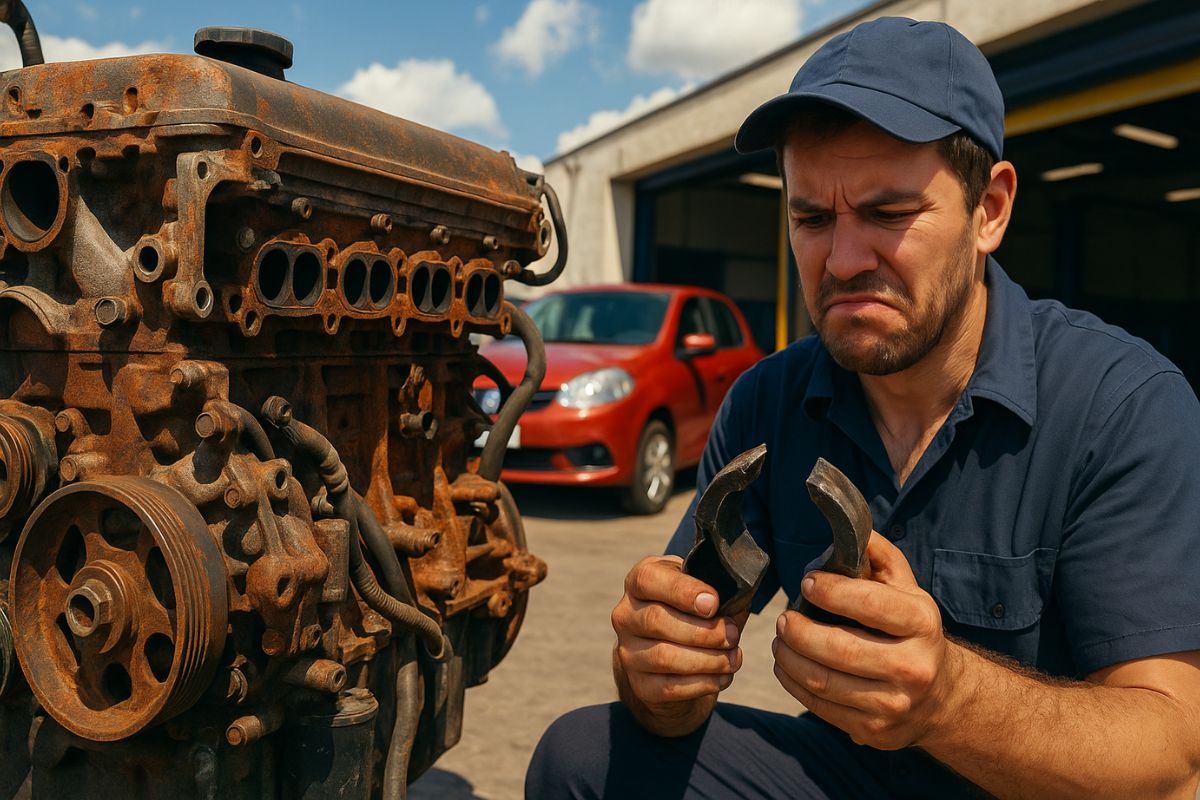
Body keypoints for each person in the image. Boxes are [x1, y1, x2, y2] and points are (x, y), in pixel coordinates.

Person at [524, 15, 1200, 799]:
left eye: (888, 214)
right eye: (811, 218)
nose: (843, 260)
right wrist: (656, 668)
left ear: (991, 210)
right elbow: (674, 680)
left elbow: (1175, 757)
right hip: (848, 778)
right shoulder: (767, 404)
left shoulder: (1121, 407)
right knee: (585, 757)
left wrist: (946, 697)